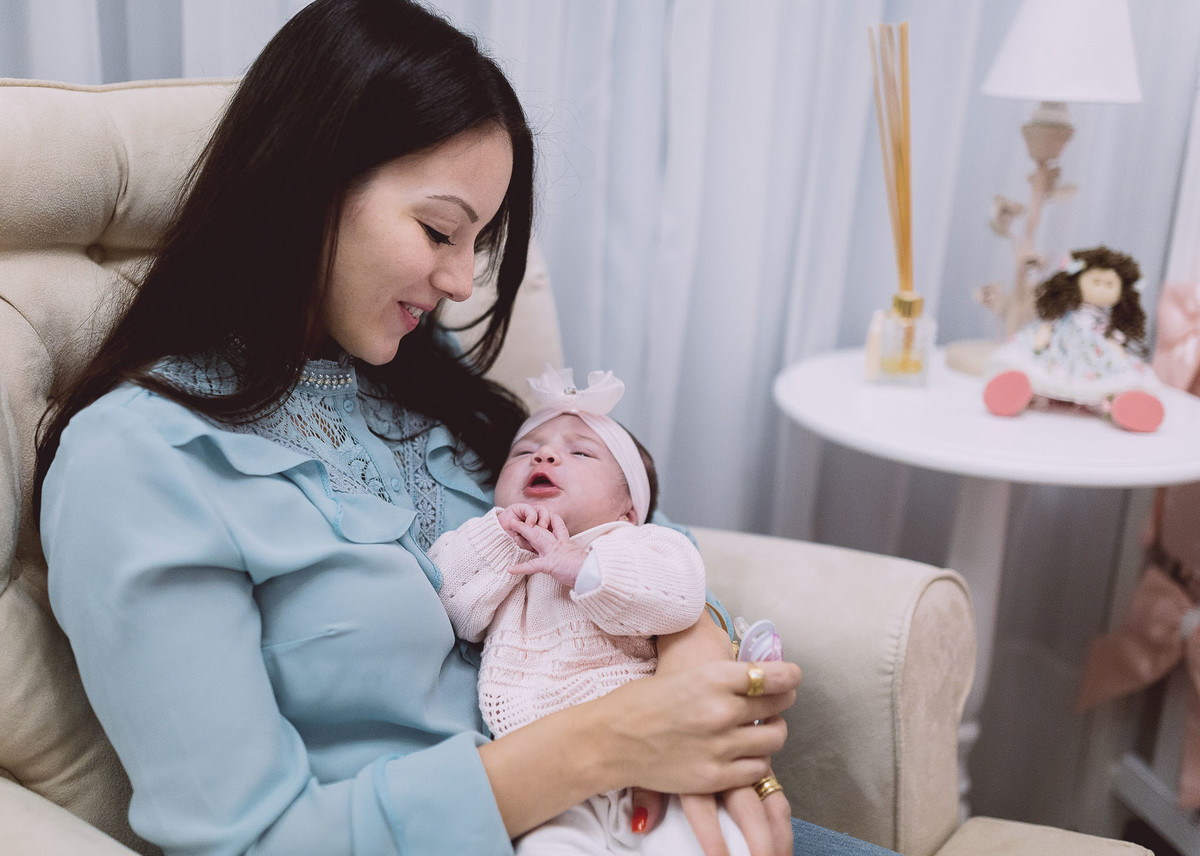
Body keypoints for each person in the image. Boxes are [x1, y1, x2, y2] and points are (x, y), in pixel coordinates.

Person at [34, 1, 899, 854]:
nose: (458, 282)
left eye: (476, 243)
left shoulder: (425, 385)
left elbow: (634, 525)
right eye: (439, 229)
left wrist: (691, 659)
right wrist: (610, 740)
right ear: (307, 182)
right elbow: (251, 839)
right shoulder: (138, 461)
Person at [432, 366, 752, 855]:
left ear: (629, 510)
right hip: (546, 775)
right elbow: (451, 604)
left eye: (580, 452)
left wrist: (582, 566)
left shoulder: (642, 543)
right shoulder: (507, 558)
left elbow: (681, 597)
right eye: (523, 453)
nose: (543, 454)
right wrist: (500, 534)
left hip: (658, 756)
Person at [983, 245, 1164, 432]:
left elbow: (1114, 340)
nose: (1101, 288)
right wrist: (1042, 337)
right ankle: (1019, 392)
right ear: (1076, 281)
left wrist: (1118, 352)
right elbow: (1048, 324)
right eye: (1096, 281)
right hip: (1059, 350)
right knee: (1035, 371)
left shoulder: (1109, 321)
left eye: (1109, 284)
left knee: (1110, 384)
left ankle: (1119, 405)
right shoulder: (1065, 312)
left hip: (1097, 358)